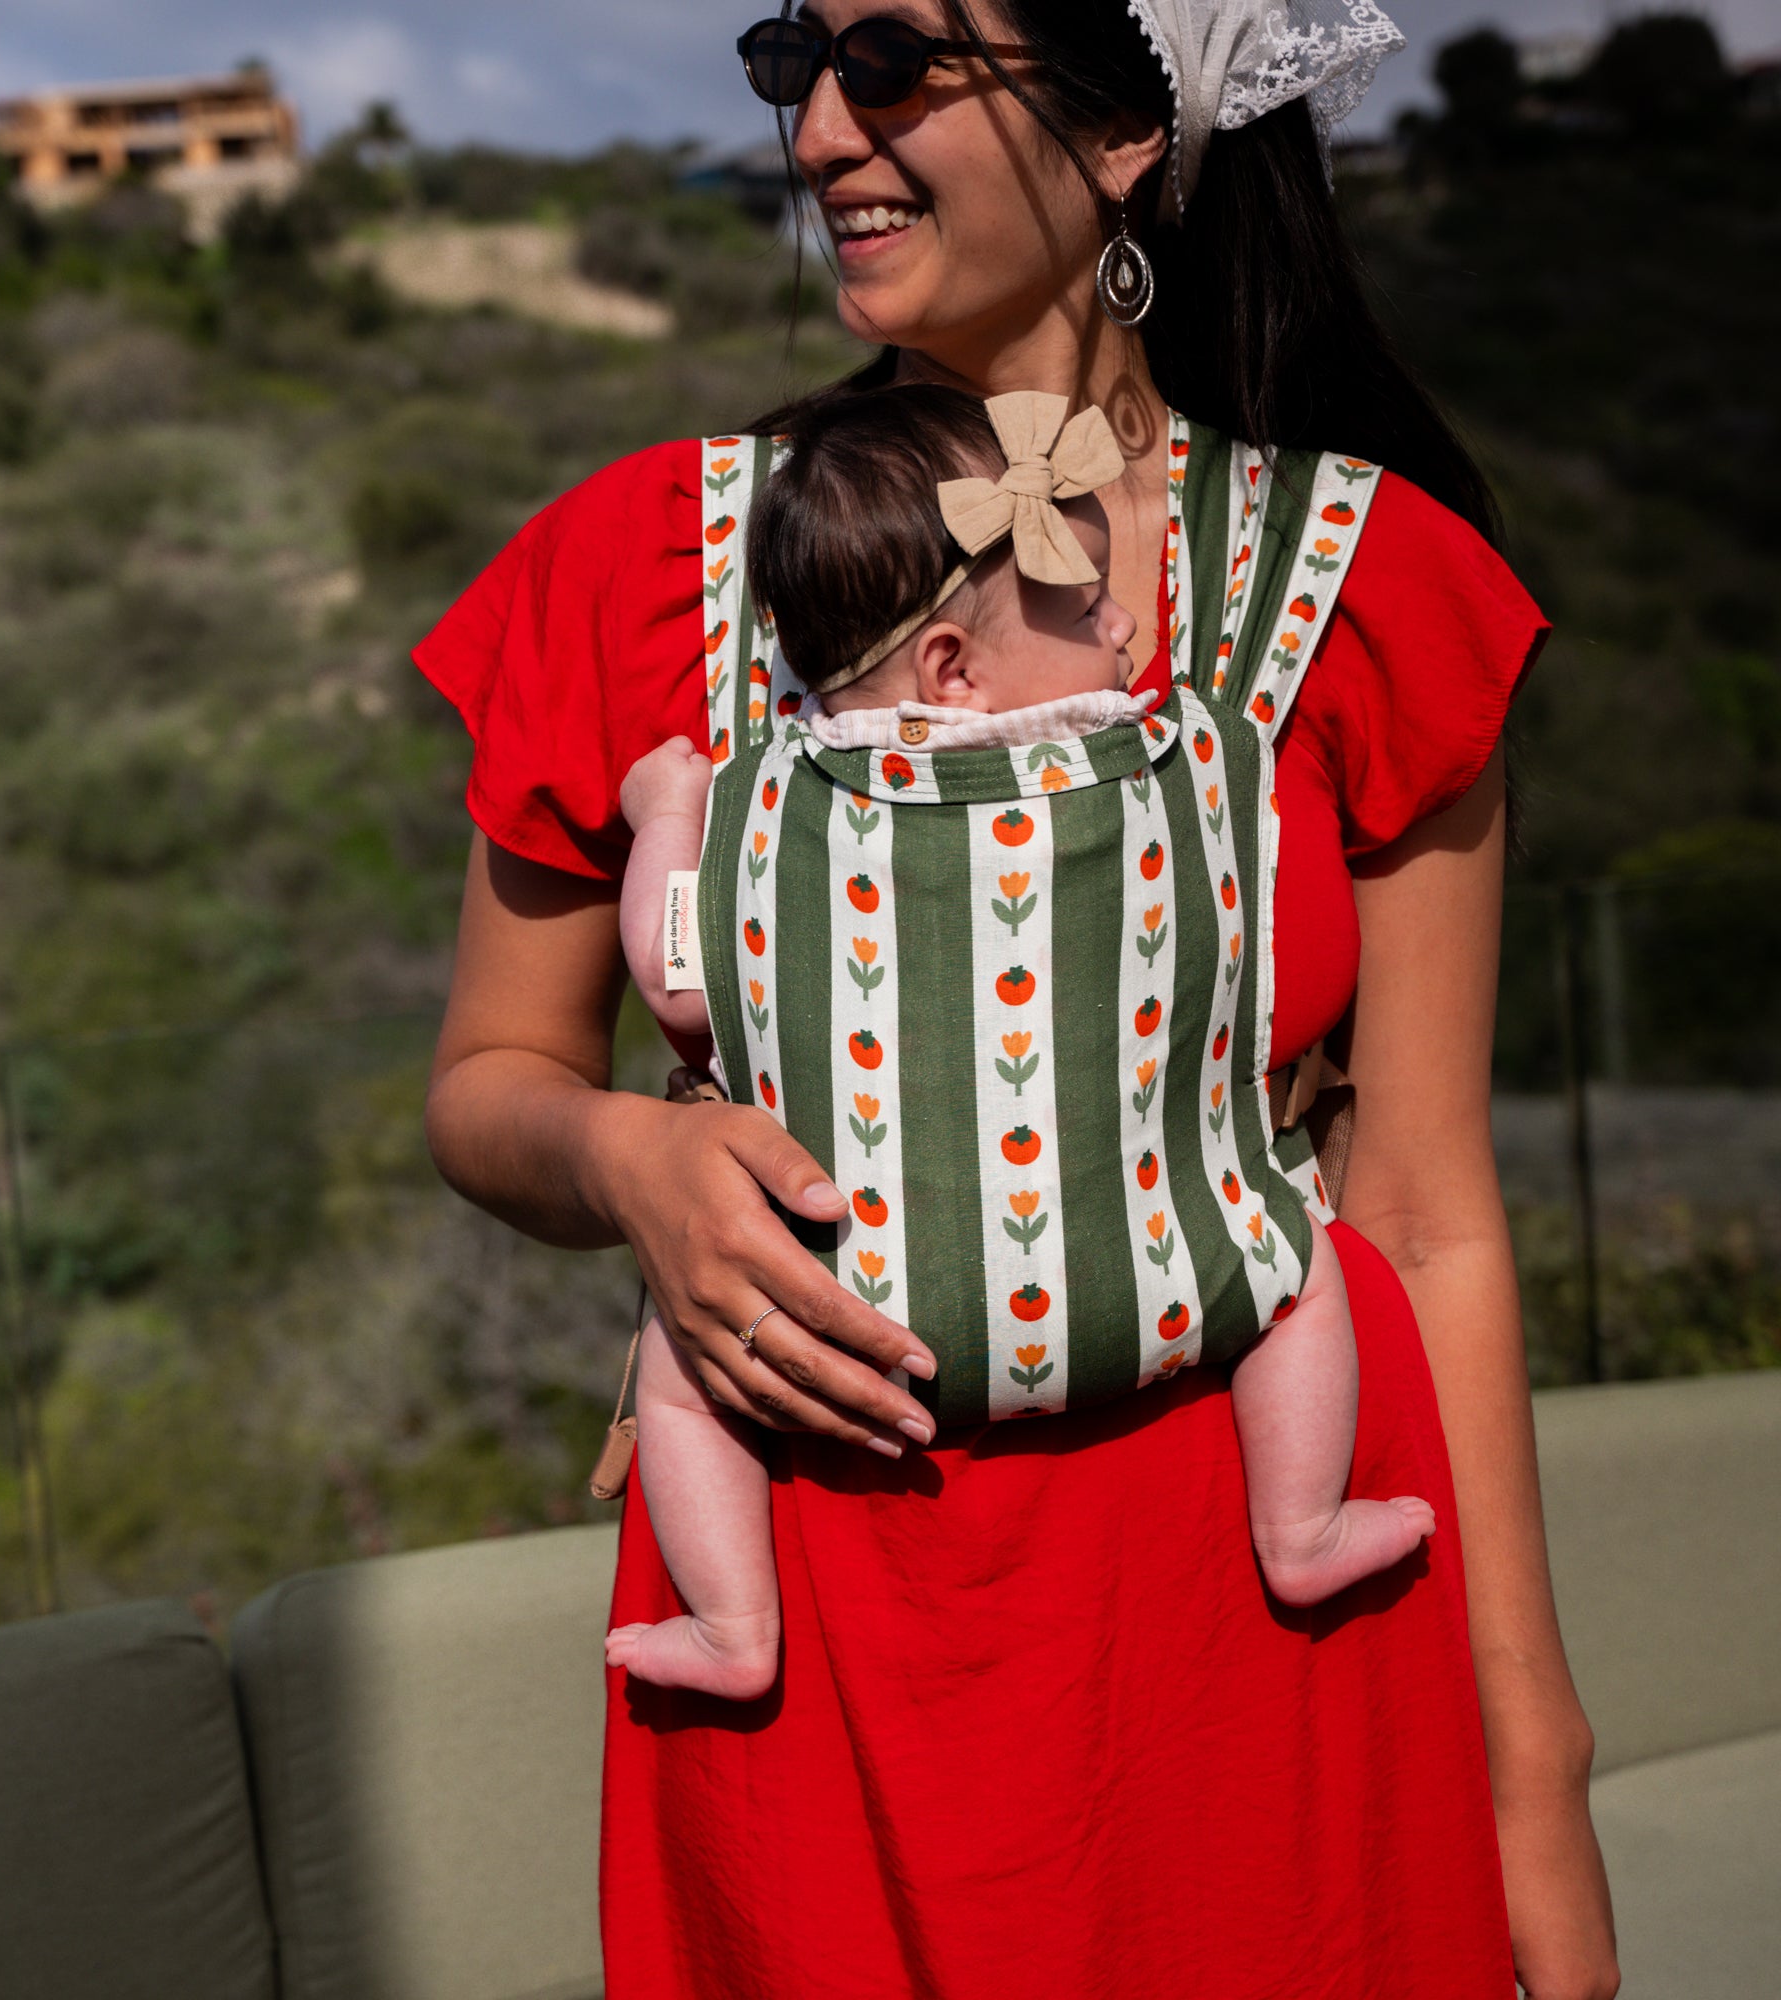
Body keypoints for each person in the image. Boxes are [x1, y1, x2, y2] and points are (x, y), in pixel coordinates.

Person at [417, 3, 1620, 1994]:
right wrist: (622, 1153)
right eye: (787, 59)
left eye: (886, 60)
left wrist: (1531, 1766)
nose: (817, 131)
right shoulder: (636, 561)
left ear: (1129, 132)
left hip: (1277, 1610)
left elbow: (1421, 1211)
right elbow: (490, 1080)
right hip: (820, 1637)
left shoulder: (1363, 580)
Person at [607, 382, 1434, 1699]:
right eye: (1088, 602)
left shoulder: (768, 815)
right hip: (1165, 1293)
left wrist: (668, 815)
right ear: (952, 667)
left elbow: (680, 989)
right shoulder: (1190, 770)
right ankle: (1303, 1526)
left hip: (855, 1333)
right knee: (1298, 1261)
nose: (1128, 627)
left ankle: (731, 1625)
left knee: (684, 1372)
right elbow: (1259, 988)